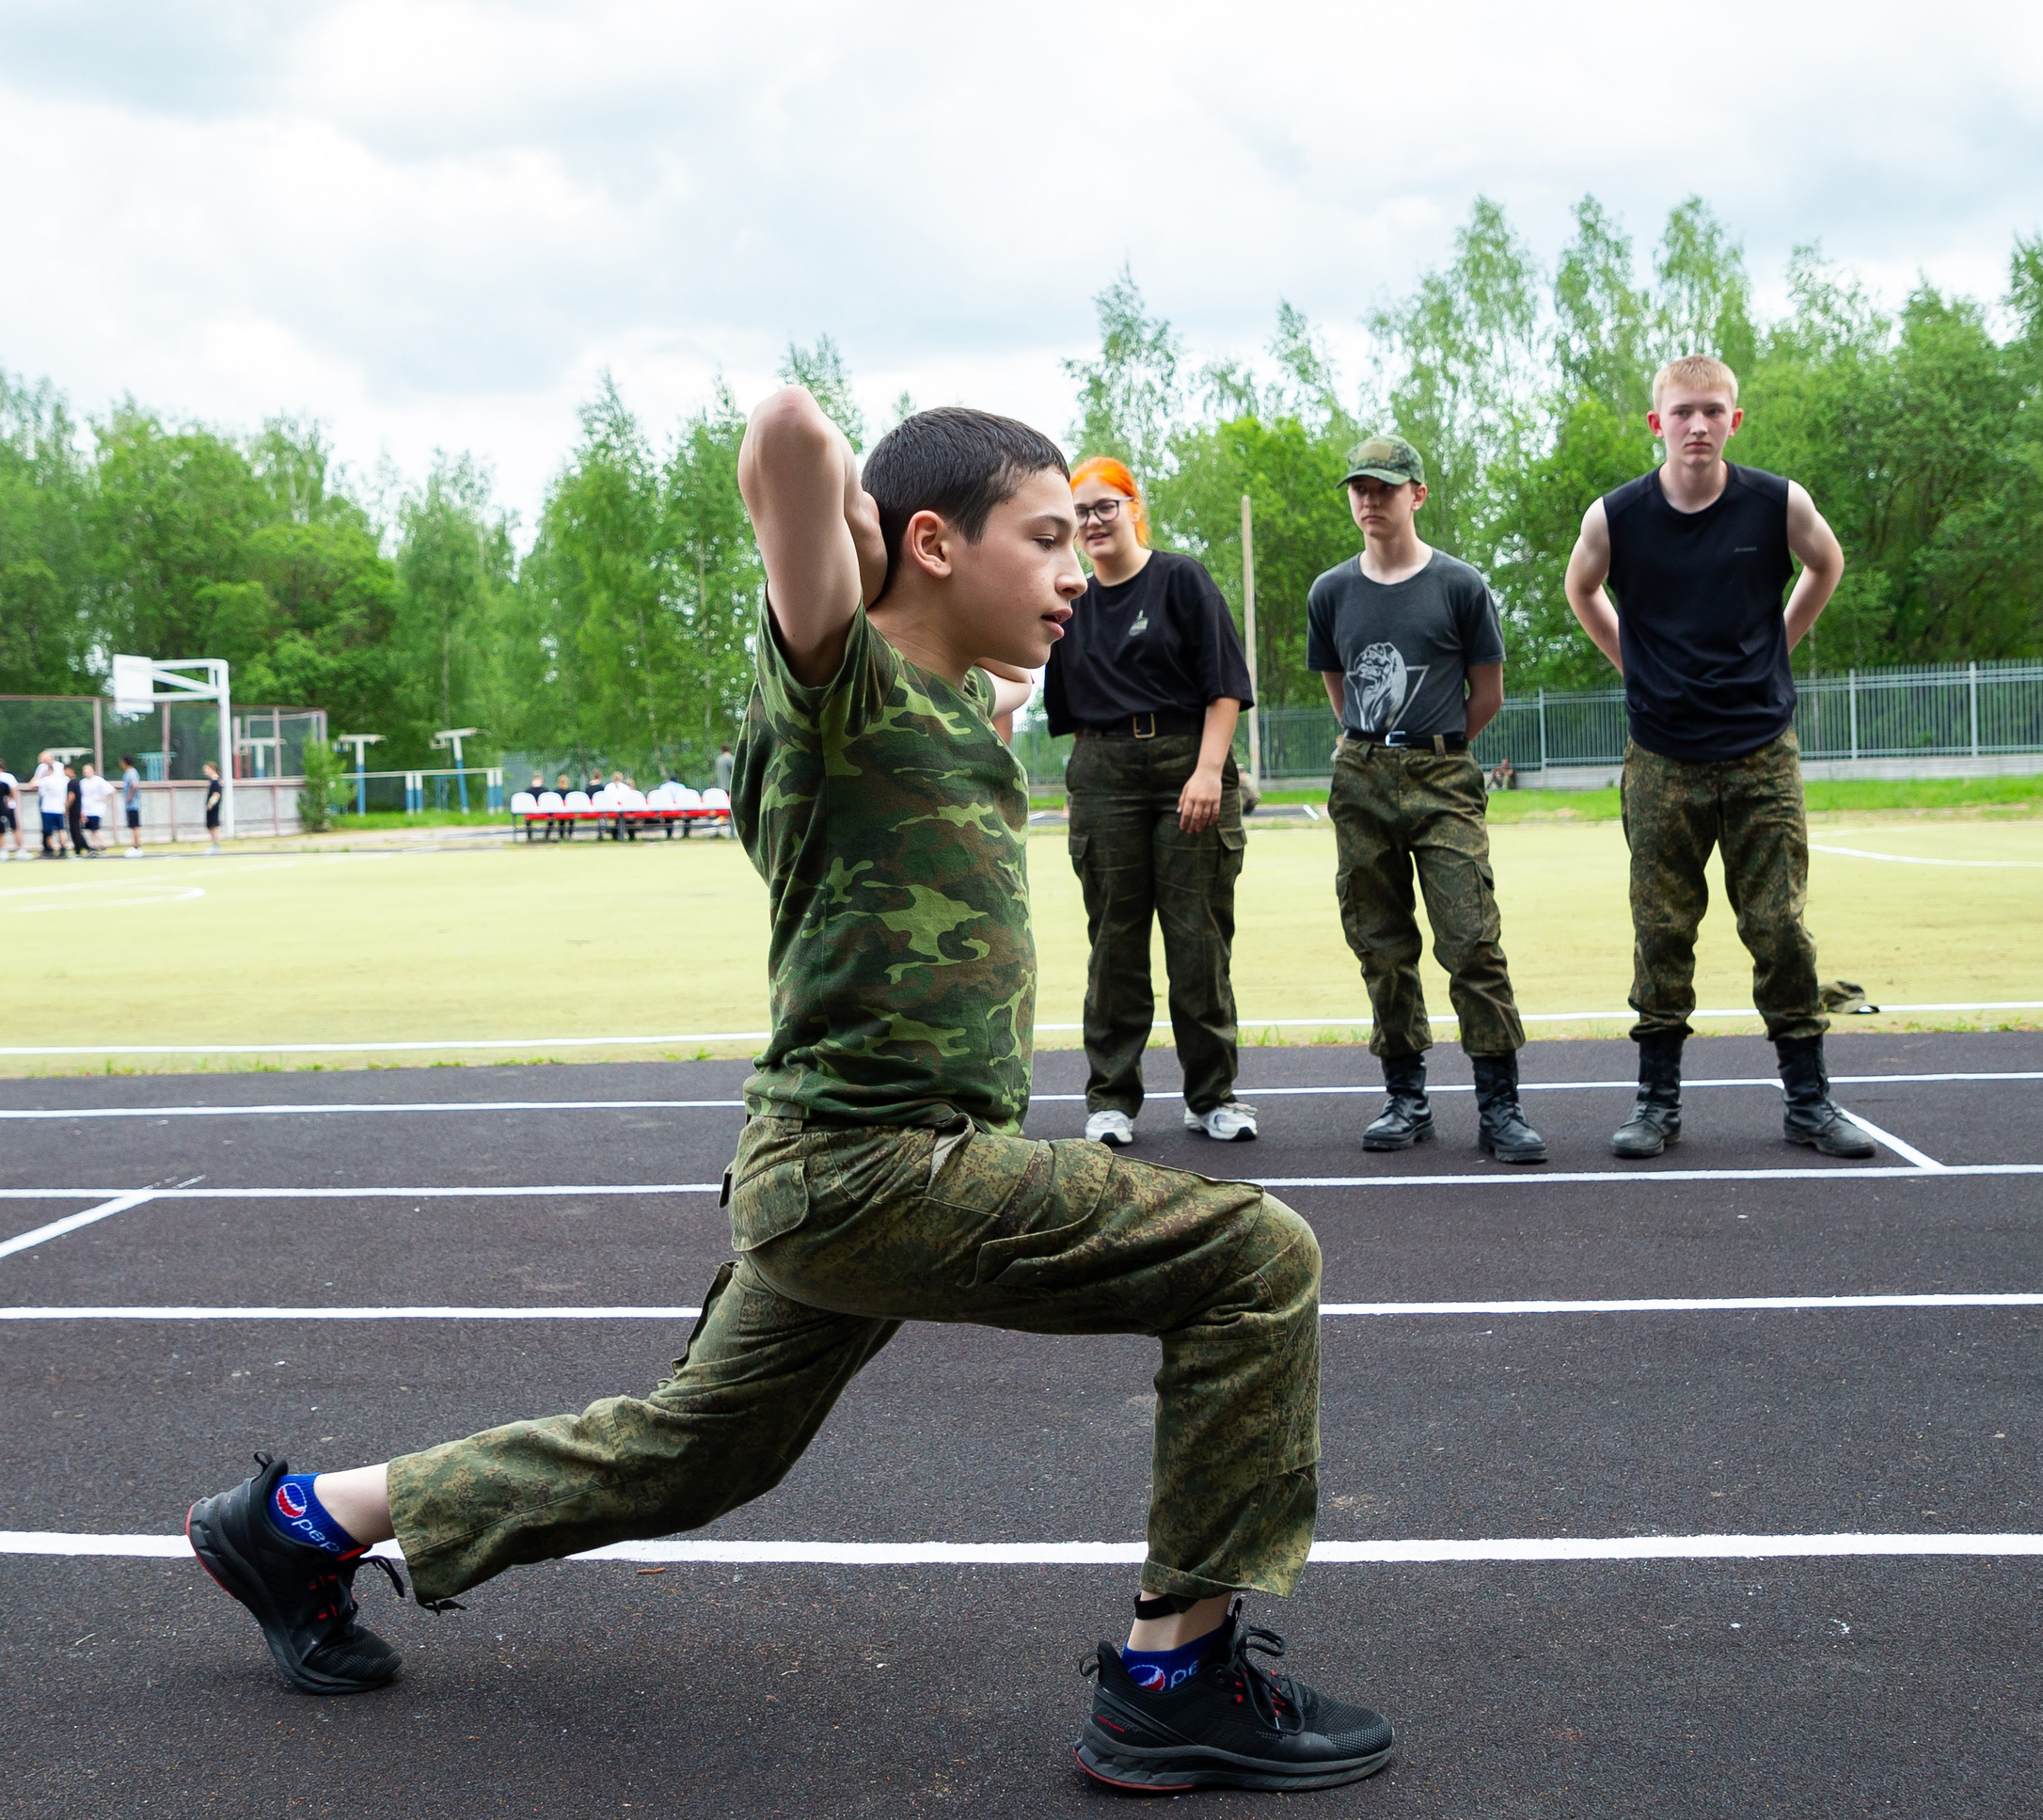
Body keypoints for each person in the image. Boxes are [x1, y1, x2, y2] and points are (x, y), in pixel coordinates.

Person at [182, 393, 1391, 1794]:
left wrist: (973, 626)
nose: (1080, 570)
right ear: (930, 545)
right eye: (1049, 537)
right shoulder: (845, 680)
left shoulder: (962, 689)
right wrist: (857, 543)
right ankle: (1174, 1676)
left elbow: (982, 653)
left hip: (848, 1173)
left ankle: (295, 1523)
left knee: (693, 1451)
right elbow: (785, 435)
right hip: (877, 1166)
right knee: (1254, 1256)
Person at [1562, 353, 1876, 1162]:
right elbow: (1583, 589)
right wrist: (1634, 662)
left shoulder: (1777, 503)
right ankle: (1656, 1104)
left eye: (1712, 411)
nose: (1697, 425)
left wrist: (1778, 643)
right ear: (1656, 422)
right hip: (1662, 755)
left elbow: (1827, 564)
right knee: (1661, 929)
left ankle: (1808, 1103)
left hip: (1760, 751)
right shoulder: (1616, 517)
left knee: (1779, 926)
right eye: (1682, 412)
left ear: (1734, 420)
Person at [1307, 434, 1546, 1164]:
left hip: (1443, 775)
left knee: (1471, 938)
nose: (1370, 499)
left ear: (1418, 492)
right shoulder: (1331, 592)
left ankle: (1500, 1107)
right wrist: (1371, 745)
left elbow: (1489, 692)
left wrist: (1432, 743)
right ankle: (1405, 1098)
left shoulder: (1459, 585)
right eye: (1360, 488)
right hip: (1361, 777)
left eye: (1384, 486)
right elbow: (1340, 691)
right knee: (1380, 942)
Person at [1045, 456, 1258, 1147]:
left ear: (1134, 507)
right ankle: (1112, 1099)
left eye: (1105, 506)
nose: (1093, 522)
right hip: (1102, 773)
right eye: (1080, 513)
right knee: (1114, 946)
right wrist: (1087, 787)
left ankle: (1212, 1095)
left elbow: (1225, 685)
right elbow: (1069, 711)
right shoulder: (1068, 599)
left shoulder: (1181, 580)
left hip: (1185, 761)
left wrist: (1206, 772)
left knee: (1198, 941)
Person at [35, 753, 71, 857]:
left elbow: (35, 785)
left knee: (48, 831)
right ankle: (63, 848)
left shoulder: (45, 780)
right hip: (60, 807)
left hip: (47, 808)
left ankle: (50, 849)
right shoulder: (64, 780)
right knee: (61, 829)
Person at [77, 762, 111, 853]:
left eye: (88, 769)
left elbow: (111, 791)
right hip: (86, 810)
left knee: (95, 829)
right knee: (90, 829)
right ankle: (94, 846)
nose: (86, 771)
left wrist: (102, 799)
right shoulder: (82, 782)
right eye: (84, 770)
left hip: (96, 809)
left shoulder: (98, 780)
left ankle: (101, 845)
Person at [119, 756, 144, 856]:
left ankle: (136, 845)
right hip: (130, 805)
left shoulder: (131, 772)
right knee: (132, 825)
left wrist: (130, 796)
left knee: (134, 825)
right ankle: (135, 844)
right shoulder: (128, 773)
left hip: (133, 804)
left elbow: (134, 784)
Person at [0, 762, 22, 859]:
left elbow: (11, 791)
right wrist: (13, 802)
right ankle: (19, 849)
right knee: (15, 828)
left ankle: (3, 850)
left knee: (2, 829)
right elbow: (14, 791)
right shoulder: (9, 777)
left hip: (4, 806)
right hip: (10, 806)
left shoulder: (7, 778)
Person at [201, 760, 224, 853]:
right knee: (210, 826)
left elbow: (216, 794)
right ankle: (214, 844)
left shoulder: (215, 782)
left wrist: (210, 804)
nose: (205, 771)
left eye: (207, 769)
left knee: (213, 826)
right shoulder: (212, 781)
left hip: (213, 808)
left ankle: (216, 845)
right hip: (210, 808)